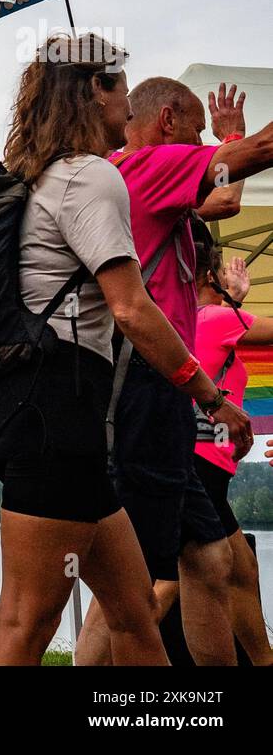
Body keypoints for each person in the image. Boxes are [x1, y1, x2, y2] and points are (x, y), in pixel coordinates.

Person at [0, 36, 234, 666]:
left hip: (45, 411)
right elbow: (132, 308)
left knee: (134, 614)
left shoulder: (38, 181)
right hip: (58, 409)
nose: (128, 108)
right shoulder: (89, 176)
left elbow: (6, 317)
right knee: (27, 619)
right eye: (121, 91)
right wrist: (211, 398)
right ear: (93, 92)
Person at [75, 75, 273, 665]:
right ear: (166, 124)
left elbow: (226, 197)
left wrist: (228, 140)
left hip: (166, 398)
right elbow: (257, 155)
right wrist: (239, 143)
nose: (200, 147)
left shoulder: (152, 182)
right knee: (135, 582)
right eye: (194, 133)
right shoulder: (145, 166)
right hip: (143, 388)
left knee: (208, 561)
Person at [174, 251, 273, 664]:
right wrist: (233, 300)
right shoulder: (215, 319)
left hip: (203, 466)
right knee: (167, 581)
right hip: (198, 467)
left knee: (240, 568)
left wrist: (232, 299)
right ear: (209, 278)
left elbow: (218, 350)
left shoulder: (190, 323)